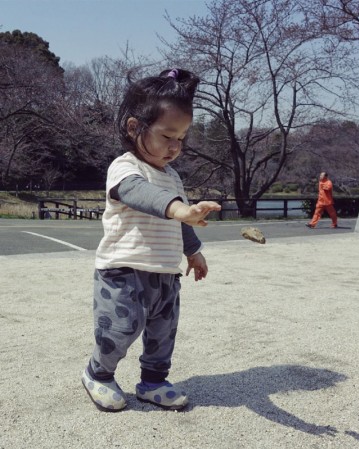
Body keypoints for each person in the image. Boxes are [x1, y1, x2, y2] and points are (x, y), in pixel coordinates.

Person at [81, 68, 221, 412]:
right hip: (122, 271)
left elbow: (181, 220)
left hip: (164, 273)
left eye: (182, 138)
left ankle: (153, 382)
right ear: (134, 127)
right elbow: (138, 194)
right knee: (120, 329)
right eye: (168, 136)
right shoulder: (124, 168)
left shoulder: (172, 177)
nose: (175, 147)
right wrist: (179, 209)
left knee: (163, 335)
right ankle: (98, 373)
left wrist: (194, 252)